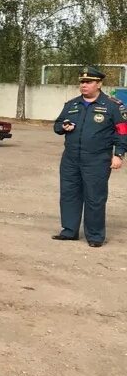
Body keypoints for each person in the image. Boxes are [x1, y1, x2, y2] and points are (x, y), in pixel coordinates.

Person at [52, 65, 127, 247]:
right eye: (82, 82)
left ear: (99, 84)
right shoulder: (71, 105)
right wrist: (64, 126)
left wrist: (119, 154)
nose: (84, 85)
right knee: (69, 195)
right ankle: (69, 231)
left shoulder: (113, 105)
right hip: (70, 159)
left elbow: (123, 132)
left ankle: (94, 236)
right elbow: (57, 125)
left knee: (95, 197)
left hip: (97, 159)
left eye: (89, 82)